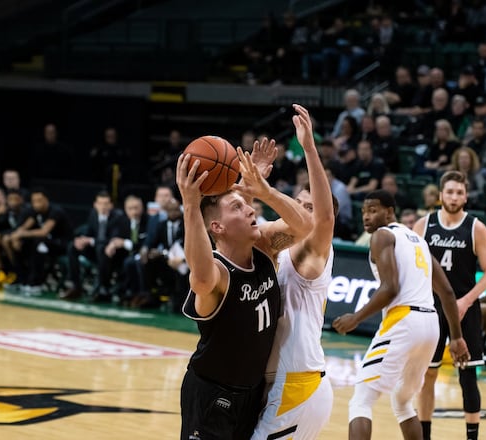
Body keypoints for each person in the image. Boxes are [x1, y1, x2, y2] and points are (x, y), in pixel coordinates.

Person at [176, 137, 313, 440]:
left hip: (252, 394)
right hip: (211, 394)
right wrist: (190, 203)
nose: (252, 211)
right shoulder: (217, 273)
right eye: (238, 208)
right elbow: (199, 277)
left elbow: (305, 227)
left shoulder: (264, 249)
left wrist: (259, 187)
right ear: (217, 228)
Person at [331, 189, 470, 440]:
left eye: (373, 210)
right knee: (403, 401)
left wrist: (356, 317)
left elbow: (390, 288)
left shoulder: (383, 236)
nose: (366, 217)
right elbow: (447, 293)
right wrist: (457, 338)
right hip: (431, 324)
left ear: (390, 212)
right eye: (363, 211)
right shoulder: (419, 240)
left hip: (404, 319)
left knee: (361, 399)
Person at [252, 104, 336, 439]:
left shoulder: (313, 250)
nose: (302, 211)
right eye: (299, 204)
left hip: (298, 381)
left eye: (310, 207)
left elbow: (324, 219)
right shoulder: (278, 244)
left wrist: (310, 149)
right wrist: (250, 178)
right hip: (278, 381)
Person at [412, 170, 486, 440]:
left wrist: (467, 300)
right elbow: (412, 267)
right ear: (440, 195)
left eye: (459, 192)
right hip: (430, 308)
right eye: (449, 191)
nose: (454, 196)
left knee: (468, 377)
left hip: (465, 307)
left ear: (466, 196)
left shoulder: (476, 228)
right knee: (428, 375)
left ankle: (472, 437)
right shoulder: (423, 225)